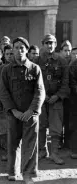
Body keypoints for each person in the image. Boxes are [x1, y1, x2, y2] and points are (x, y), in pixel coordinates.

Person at [0, 37, 45, 184]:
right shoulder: (6, 70)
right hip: (14, 114)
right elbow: (3, 92)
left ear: (27, 50)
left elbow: (40, 91)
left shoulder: (34, 68)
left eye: (22, 48)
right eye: (16, 47)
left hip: (30, 114)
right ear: (12, 50)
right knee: (13, 142)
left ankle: (29, 174)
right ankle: (13, 170)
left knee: (31, 144)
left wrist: (31, 110)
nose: (19, 51)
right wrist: (13, 111)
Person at [34, 34, 69, 165]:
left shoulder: (62, 61)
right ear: (43, 44)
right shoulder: (37, 61)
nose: (50, 45)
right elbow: (34, 81)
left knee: (56, 127)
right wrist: (42, 96)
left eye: (52, 43)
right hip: (41, 100)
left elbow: (66, 82)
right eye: (47, 43)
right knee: (41, 125)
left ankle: (54, 153)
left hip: (56, 99)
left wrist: (58, 96)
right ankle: (42, 151)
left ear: (55, 45)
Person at [60, 40, 72, 149]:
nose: (67, 53)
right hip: (60, 95)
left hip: (71, 97)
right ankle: (58, 141)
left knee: (69, 120)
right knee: (59, 120)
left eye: (69, 50)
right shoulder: (59, 62)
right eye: (65, 50)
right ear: (61, 51)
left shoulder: (73, 63)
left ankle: (67, 142)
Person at [69, 59, 77, 159]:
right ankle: (75, 150)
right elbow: (72, 82)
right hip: (76, 100)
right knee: (76, 125)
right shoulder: (74, 65)